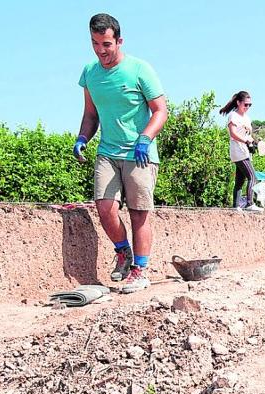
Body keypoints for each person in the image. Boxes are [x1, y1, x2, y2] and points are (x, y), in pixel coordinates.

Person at [73, 13, 169, 293]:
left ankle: (140, 271)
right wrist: (82, 137)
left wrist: (145, 138)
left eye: (106, 44)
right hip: (107, 151)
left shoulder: (140, 69)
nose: (100, 50)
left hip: (139, 154)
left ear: (119, 41)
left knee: (139, 213)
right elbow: (91, 115)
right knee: (105, 208)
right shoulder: (90, 73)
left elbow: (160, 110)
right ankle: (123, 252)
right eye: (95, 43)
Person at [219, 91, 262, 212]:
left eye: (250, 105)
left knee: (240, 181)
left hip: (245, 152)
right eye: (245, 104)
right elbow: (233, 134)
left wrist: (253, 143)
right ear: (238, 103)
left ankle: (236, 206)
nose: (247, 107)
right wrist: (246, 141)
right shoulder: (233, 116)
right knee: (253, 177)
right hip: (238, 151)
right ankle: (249, 204)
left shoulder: (247, 118)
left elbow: (247, 135)